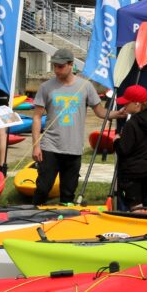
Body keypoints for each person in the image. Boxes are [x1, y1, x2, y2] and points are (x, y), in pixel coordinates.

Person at [31, 48, 108, 206]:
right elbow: (37, 117)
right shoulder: (46, 87)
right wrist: (36, 145)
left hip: (73, 148)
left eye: (60, 66)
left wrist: (119, 113)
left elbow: (101, 112)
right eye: (54, 66)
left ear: (71, 65)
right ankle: (32, 219)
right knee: (43, 188)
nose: (57, 70)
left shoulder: (85, 86)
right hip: (50, 147)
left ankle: (65, 223)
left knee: (68, 193)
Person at [109, 84, 147, 210]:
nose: (124, 105)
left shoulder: (132, 124)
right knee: (141, 204)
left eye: (127, 103)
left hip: (130, 173)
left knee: (134, 206)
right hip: (146, 170)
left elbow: (123, 150)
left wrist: (116, 141)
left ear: (137, 104)